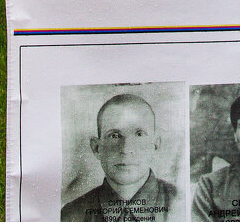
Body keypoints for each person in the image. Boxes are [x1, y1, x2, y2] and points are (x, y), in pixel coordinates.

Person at [61, 93, 179, 222]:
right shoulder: (70, 216)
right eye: (114, 135)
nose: (126, 149)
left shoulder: (183, 205)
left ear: (155, 145)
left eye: (139, 134)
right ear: (96, 148)